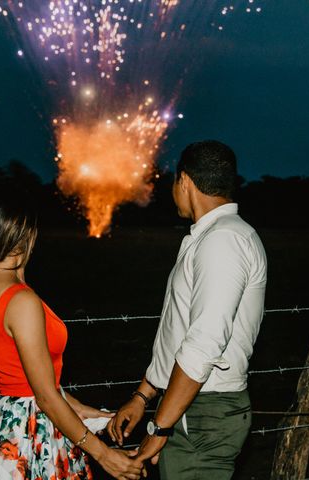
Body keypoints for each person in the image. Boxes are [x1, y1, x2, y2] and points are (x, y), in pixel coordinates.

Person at [0, 183, 144, 480]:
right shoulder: (21, 300)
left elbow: (22, 377)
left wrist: (85, 410)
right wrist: (104, 455)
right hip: (26, 432)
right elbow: (43, 396)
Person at [107, 140, 268, 479]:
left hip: (203, 410)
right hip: (189, 403)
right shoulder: (211, 237)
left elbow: (204, 344)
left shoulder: (224, 240)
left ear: (185, 182)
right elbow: (179, 330)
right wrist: (143, 395)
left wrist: (159, 428)